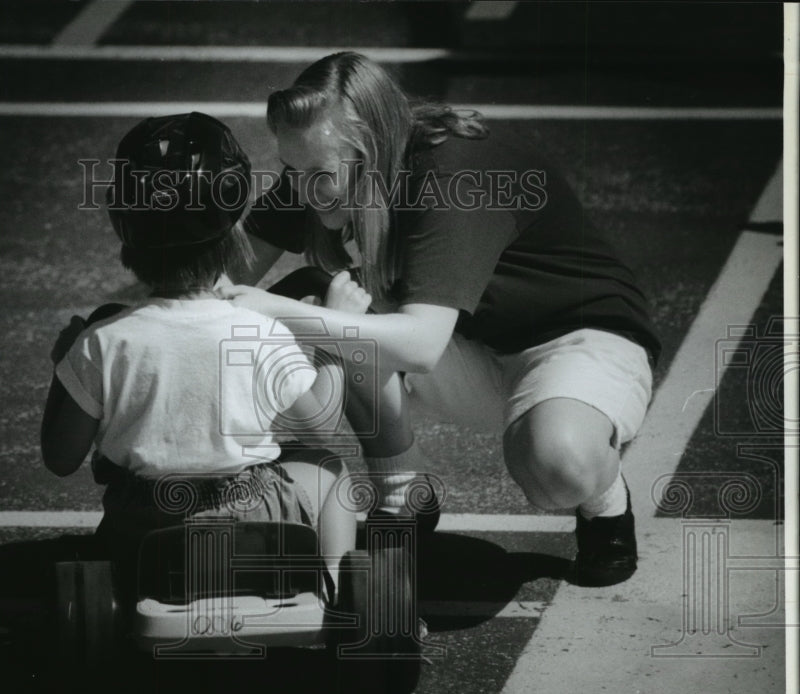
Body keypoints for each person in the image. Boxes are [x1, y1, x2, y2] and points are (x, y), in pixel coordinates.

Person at [220, 52, 662, 586]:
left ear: (372, 145)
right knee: (325, 302)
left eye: (318, 175)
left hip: (573, 340)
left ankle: (606, 505)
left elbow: (421, 346)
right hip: (469, 344)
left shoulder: (453, 173)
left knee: (557, 469)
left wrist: (272, 307)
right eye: (292, 171)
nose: (303, 190)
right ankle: (404, 496)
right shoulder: (326, 163)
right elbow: (220, 279)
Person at [40, 112, 356, 590]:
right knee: (331, 473)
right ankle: (338, 590)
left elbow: (60, 457)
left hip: (146, 533)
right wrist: (332, 338)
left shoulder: (103, 341)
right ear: (234, 234)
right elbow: (321, 425)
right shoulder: (258, 329)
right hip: (255, 526)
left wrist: (64, 364)